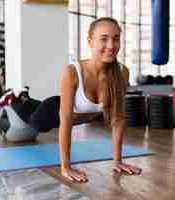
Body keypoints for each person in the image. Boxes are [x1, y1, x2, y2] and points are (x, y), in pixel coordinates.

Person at [57, 17, 142, 183]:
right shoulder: (72, 71)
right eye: (104, 39)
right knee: (26, 117)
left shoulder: (122, 72)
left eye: (116, 39)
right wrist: (65, 166)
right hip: (50, 114)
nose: (111, 46)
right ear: (90, 41)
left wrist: (117, 161)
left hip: (83, 117)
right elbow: (65, 120)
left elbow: (118, 118)